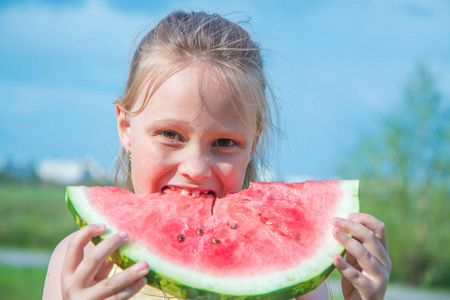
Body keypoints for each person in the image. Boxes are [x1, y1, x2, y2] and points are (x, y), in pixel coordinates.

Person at [43, 11, 391, 300]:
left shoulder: (292, 283)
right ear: (125, 128)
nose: (195, 168)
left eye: (224, 143)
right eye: (170, 135)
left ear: (253, 141)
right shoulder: (78, 263)